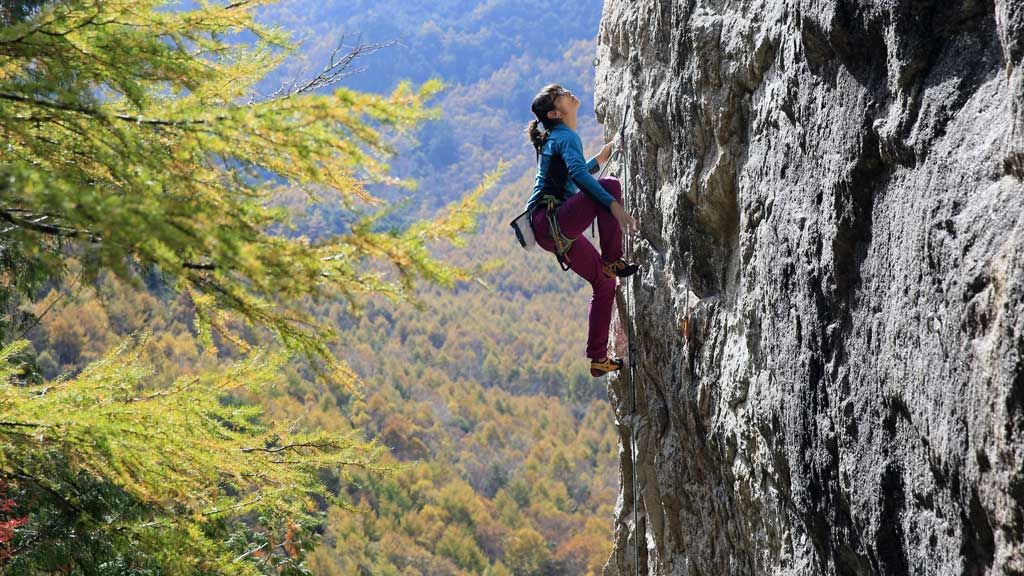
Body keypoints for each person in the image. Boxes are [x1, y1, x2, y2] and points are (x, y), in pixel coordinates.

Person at [524, 83, 639, 378]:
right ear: (555, 112)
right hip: (555, 220)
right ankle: (614, 259)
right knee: (610, 186)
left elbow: (569, 179)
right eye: (560, 94)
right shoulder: (565, 136)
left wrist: (600, 158)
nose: (567, 92)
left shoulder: (556, 137)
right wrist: (614, 207)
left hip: (547, 228)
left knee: (604, 284)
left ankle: (599, 359)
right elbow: (576, 177)